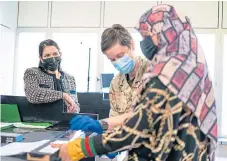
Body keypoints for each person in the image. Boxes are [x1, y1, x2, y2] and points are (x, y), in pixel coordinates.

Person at [52, 4, 217, 161]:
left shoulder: (163, 78)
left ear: (167, 34)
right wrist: (107, 132)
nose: (144, 42)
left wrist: (83, 146)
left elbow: (140, 125)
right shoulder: (188, 70)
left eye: (147, 36)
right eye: (112, 59)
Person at [101, 24, 149, 117]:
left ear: (132, 45)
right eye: (112, 59)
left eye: (120, 56)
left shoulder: (153, 73)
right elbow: (114, 119)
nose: (118, 62)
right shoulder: (116, 84)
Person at [24, 39, 80, 113]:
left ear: (60, 54)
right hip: (42, 121)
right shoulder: (32, 73)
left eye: (55, 54)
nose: (52, 58)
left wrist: (74, 109)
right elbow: (33, 94)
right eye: (47, 55)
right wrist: (63, 95)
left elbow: (75, 103)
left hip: (65, 122)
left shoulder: (70, 79)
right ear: (41, 58)